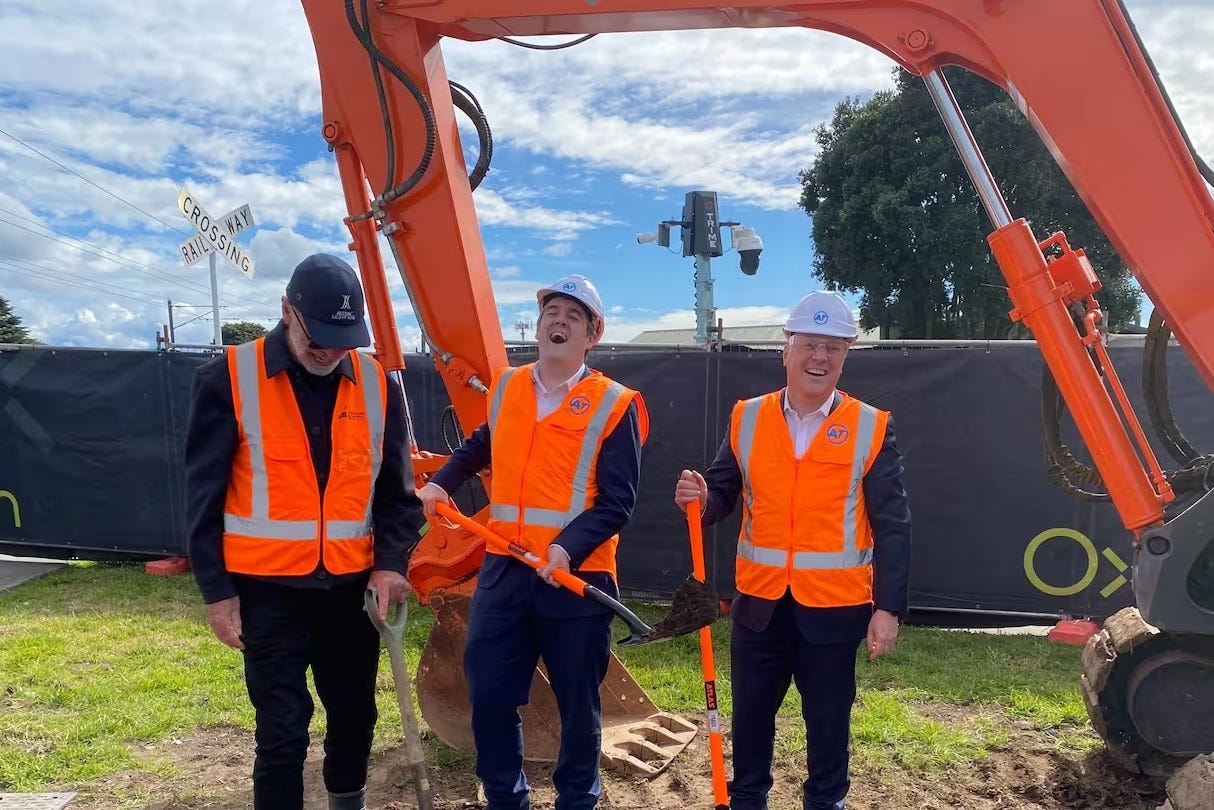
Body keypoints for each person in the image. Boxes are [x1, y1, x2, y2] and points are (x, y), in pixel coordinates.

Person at [185, 253, 424, 810]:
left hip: (350, 588)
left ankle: (348, 803)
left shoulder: (377, 385)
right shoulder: (227, 379)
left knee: (355, 715)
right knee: (283, 727)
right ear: (286, 310)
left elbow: (397, 492)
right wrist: (218, 594)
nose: (330, 350)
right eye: (319, 335)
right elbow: (203, 498)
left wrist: (391, 563)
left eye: (345, 339)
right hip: (267, 593)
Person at [417, 274, 648, 810]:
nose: (559, 321)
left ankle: (576, 799)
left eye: (573, 315)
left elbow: (618, 501)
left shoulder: (615, 404)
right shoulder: (508, 386)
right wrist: (441, 482)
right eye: (552, 312)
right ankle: (505, 798)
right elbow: (481, 446)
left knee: (577, 704)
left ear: (592, 334)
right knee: (492, 695)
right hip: (504, 570)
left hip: (576, 577)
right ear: (540, 325)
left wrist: (566, 547)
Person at [673, 290, 912, 810]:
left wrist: (887, 608)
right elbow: (722, 493)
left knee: (828, 728)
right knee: (751, 722)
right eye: (809, 344)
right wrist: (700, 498)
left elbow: (893, 525)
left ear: (846, 356)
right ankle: (748, 800)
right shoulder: (747, 418)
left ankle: (826, 802)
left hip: (834, 612)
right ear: (786, 349)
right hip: (758, 608)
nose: (819, 358)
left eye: (832, 347)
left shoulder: (870, 427)